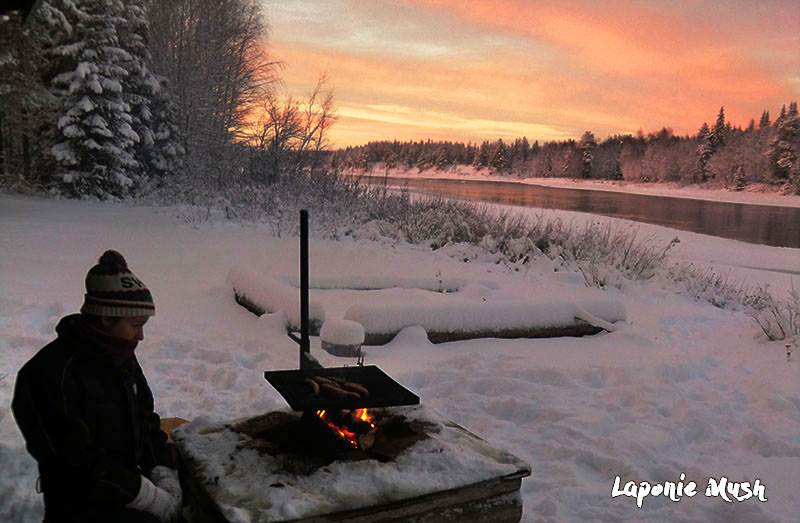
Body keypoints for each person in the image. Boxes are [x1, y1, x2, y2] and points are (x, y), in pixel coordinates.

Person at [12, 250, 182, 523]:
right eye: (136, 325)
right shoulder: (50, 374)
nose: (141, 335)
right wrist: (146, 495)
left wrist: (160, 468)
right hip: (80, 508)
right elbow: (72, 463)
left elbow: (144, 418)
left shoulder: (120, 356)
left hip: (124, 493)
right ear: (105, 319)